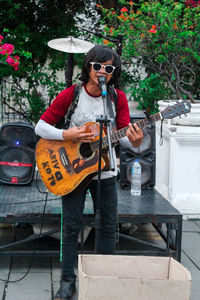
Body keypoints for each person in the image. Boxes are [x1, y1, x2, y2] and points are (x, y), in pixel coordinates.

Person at [35, 44, 143, 300]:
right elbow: (40, 126)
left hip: (106, 172)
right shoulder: (72, 94)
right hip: (73, 171)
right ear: (88, 67)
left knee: (107, 227)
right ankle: (67, 282)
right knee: (71, 227)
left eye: (108, 68)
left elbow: (125, 135)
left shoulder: (117, 98)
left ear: (113, 73)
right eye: (97, 66)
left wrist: (134, 141)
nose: (102, 71)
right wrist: (67, 133)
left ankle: (104, 279)